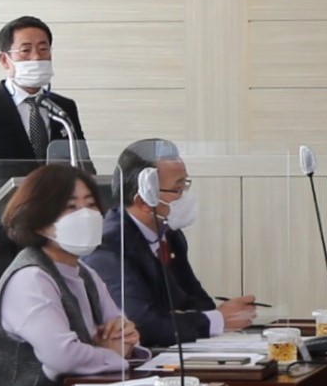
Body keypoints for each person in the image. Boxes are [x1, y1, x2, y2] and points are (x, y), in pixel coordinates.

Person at [0, 164, 141, 386]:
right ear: (39, 221)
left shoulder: (86, 273)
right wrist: (111, 353)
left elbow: (123, 332)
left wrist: (125, 339)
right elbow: (62, 357)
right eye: (71, 207)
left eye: (91, 204)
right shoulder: (31, 278)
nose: (86, 215)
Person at [0, 16, 88, 293]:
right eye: (25, 50)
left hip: (59, 235)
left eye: (43, 49)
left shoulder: (64, 108)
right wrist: (26, 193)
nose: (36, 57)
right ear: (5, 60)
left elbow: (83, 166)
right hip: (4, 235)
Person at [98, 138, 258, 347]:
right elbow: (141, 324)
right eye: (177, 189)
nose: (185, 197)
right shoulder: (109, 246)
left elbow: (198, 302)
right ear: (143, 200)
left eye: (185, 185)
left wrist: (217, 316)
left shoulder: (171, 234)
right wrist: (218, 319)